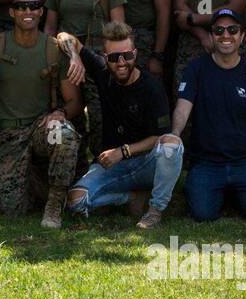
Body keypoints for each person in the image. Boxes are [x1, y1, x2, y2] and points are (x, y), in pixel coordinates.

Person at [61, 22, 182, 228]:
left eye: (127, 55)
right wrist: (75, 56)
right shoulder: (102, 72)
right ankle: (129, 198)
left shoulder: (152, 87)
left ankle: (154, 211)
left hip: (146, 163)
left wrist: (122, 151)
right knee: (75, 201)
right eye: (114, 58)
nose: (122, 63)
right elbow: (65, 36)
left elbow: (159, 136)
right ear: (105, 57)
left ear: (135, 53)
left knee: (172, 144)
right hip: (114, 167)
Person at [0, 0, 83, 228]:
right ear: (12, 12)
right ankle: (36, 183)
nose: (28, 11)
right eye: (21, 7)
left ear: (41, 11)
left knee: (63, 133)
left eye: (34, 6)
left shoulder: (53, 49)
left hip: (41, 127)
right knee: (10, 208)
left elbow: (74, 101)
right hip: (6, 134)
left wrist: (61, 113)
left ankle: (55, 204)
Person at [170, 8, 246, 222]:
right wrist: (174, 133)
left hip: (243, 163)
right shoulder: (196, 69)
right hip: (206, 163)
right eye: (219, 30)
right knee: (202, 214)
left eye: (232, 30)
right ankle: (217, 192)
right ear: (211, 36)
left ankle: (234, 193)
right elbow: (183, 107)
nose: (225, 36)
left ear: (242, 35)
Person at [47, 0, 125, 159]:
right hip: (66, 57)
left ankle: (101, 167)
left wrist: (109, 60)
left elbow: (118, 27)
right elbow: (50, 25)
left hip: (97, 56)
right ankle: (73, 170)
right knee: (69, 115)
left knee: (101, 119)